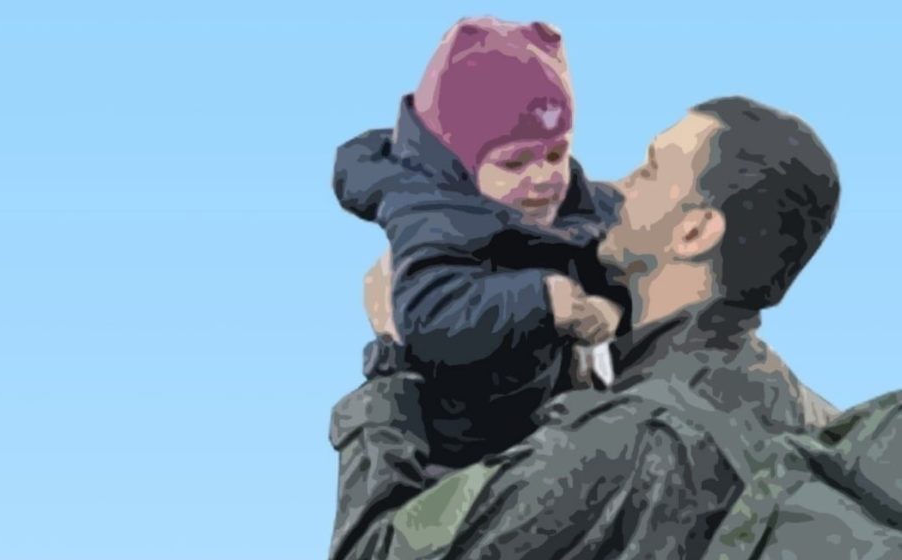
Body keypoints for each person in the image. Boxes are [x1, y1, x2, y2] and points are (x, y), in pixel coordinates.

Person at [332, 96, 846, 559]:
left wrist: (390, 363)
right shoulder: (812, 420)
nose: (621, 186)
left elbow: (373, 552)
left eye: (649, 171)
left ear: (694, 233)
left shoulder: (622, 440)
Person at [329, 18, 627, 560]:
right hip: (448, 452)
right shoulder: (431, 215)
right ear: (462, 167)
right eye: (514, 162)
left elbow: (608, 238)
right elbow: (428, 315)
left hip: (537, 431)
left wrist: (613, 302)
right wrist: (544, 300)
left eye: (556, 154)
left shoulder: (563, 201)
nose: (542, 177)